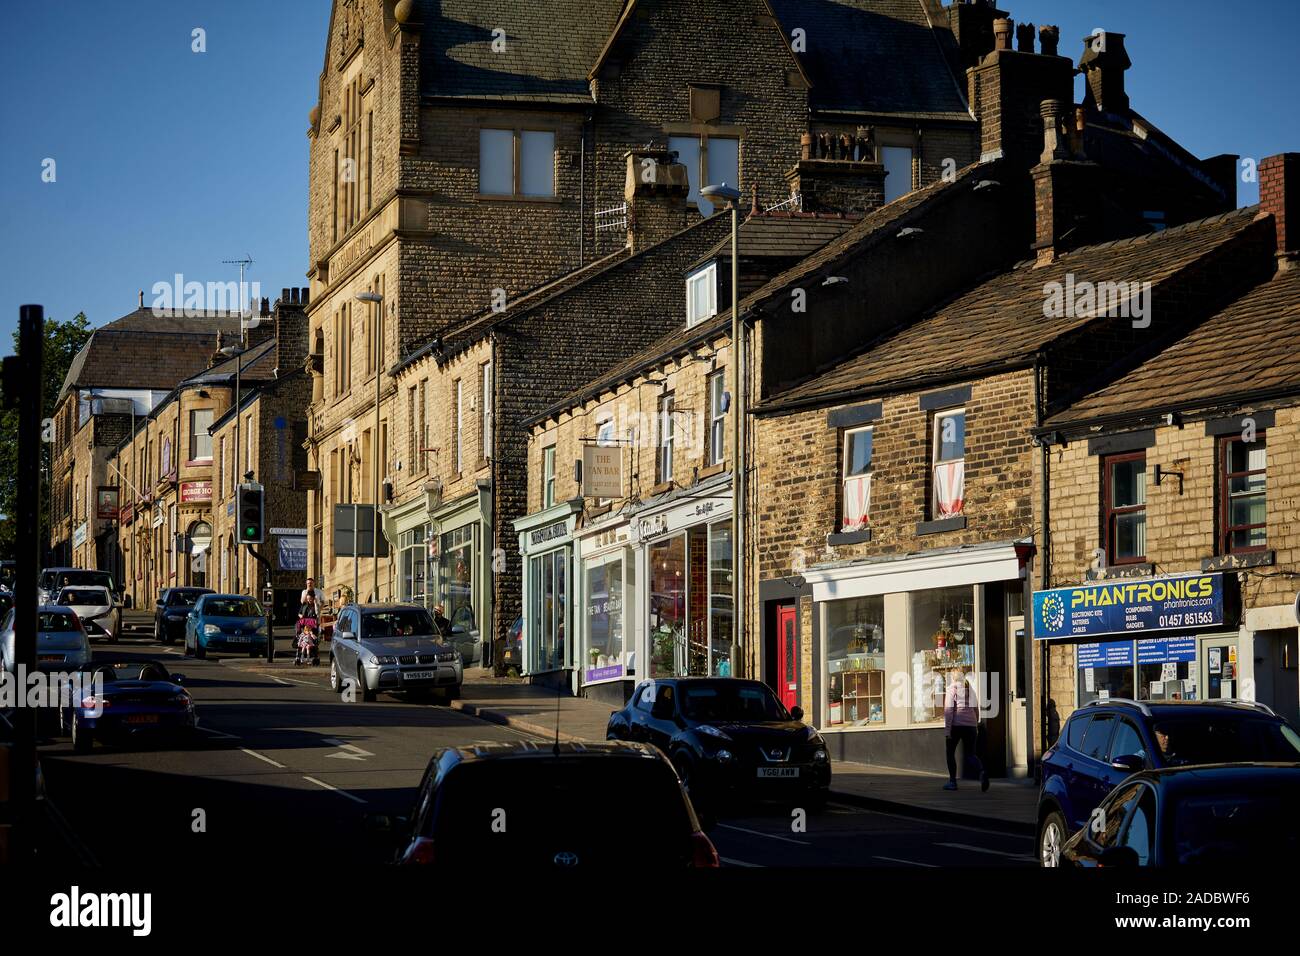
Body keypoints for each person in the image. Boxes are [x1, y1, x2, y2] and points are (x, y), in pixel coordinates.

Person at [943, 668, 989, 792]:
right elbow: (976, 708)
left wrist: (947, 731)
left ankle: (952, 782)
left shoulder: (952, 689)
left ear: (953, 678)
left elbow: (948, 712)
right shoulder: (970, 690)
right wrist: (976, 724)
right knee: (971, 755)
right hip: (971, 726)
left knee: (950, 753)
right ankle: (982, 772)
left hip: (956, 726)